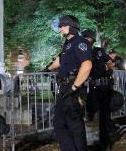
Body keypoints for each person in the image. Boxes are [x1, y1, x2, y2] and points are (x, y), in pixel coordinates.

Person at [45, 15, 92, 151]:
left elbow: (87, 65)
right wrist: (47, 69)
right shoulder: (68, 43)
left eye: (63, 26)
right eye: (61, 26)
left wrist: (75, 86)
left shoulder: (80, 42)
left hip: (73, 87)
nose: (61, 28)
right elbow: (60, 60)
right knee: (59, 122)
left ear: (72, 26)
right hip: (65, 87)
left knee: (74, 124)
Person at [80, 29, 113, 149]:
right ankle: (88, 140)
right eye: (85, 39)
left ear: (92, 40)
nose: (87, 41)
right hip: (92, 87)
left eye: (89, 38)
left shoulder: (99, 51)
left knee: (104, 116)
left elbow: (110, 62)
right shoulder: (81, 52)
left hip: (104, 86)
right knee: (89, 111)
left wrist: (108, 69)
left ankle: (105, 142)